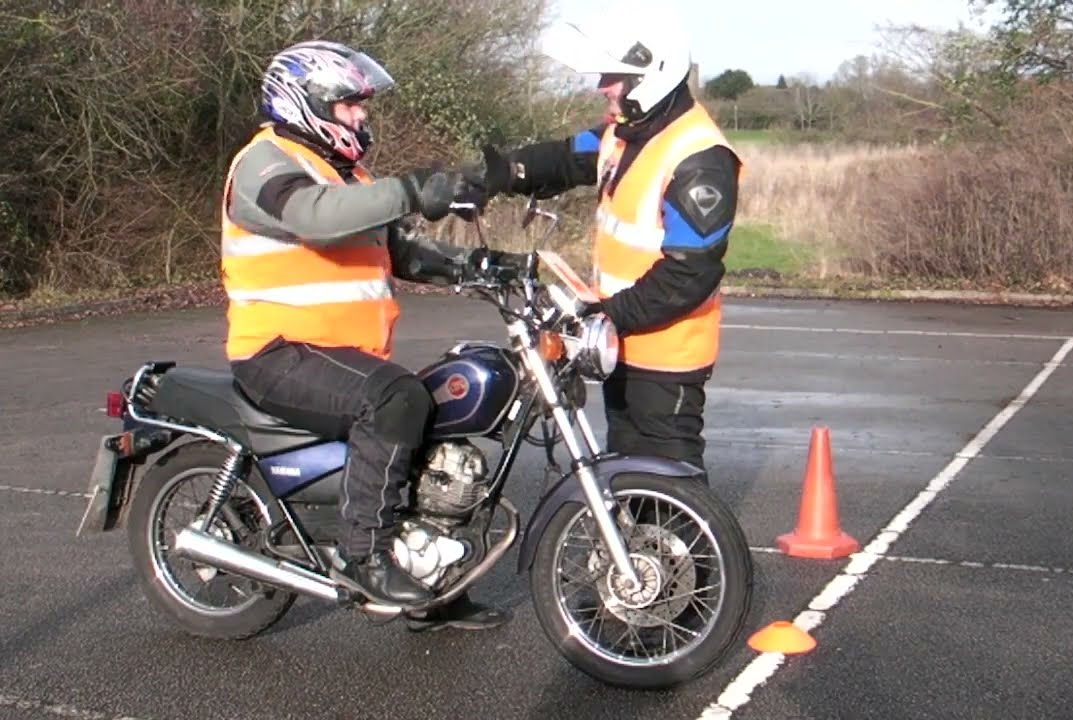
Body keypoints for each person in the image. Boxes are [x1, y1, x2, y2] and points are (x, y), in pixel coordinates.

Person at [221, 40, 523, 630]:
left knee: (437, 407)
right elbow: (316, 217)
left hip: (339, 354)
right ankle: (364, 555)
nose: (362, 116)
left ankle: (434, 583)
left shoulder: (348, 173)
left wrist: (486, 266)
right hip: (275, 351)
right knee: (396, 398)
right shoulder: (264, 164)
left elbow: (396, 248)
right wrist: (414, 188)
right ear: (305, 103)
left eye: (363, 104)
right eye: (350, 104)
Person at [462, 10, 742, 474]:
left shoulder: (699, 158)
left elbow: (689, 273)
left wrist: (606, 317)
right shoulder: (628, 132)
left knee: (668, 479)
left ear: (650, 76)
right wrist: (502, 172)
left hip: (664, 351)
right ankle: (635, 547)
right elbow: (566, 159)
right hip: (621, 342)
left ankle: (683, 547)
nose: (602, 87)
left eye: (613, 76)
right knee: (627, 469)